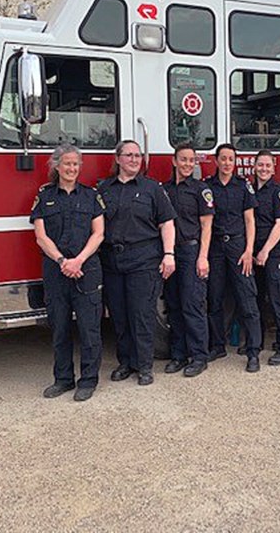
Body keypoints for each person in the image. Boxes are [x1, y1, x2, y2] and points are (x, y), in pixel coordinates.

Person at [98, 140, 177, 386]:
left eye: (137, 155)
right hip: (112, 260)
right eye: (129, 155)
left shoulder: (152, 188)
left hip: (143, 258)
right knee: (119, 315)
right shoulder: (103, 189)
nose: (134, 159)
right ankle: (125, 363)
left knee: (141, 314)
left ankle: (144, 366)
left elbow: (167, 223)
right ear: (118, 158)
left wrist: (169, 254)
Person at [30, 143, 106, 402]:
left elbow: (99, 233)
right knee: (60, 329)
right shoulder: (44, 196)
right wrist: (63, 261)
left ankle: (88, 380)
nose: (72, 168)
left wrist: (79, 260)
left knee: (89, 329)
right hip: (56, 271)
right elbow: (41, 237)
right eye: (67, 164)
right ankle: (63, 379)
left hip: (87, 270)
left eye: (76, 164)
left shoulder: (90, 196)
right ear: (57, 166)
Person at [205, 143, 264, 373]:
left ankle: (253, 352)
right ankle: (217, 346)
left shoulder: (243, 187)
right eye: (223, 158)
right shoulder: (208, 187)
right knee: (215, 299)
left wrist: (249, 250)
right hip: (216, 248)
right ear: (216, 161)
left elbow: (250, 220)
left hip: (239, 248)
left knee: (247, 299)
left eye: (231, 159)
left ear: (235, 162)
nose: (227, 163)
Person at [161, 143, 213, 378]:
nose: (187, 164)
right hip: (171, 253)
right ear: (174, 161)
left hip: (192, 252)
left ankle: (199, 356)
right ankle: (179, 355)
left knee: (193, 305)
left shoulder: (201, 190)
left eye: (191, 160)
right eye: (183, 160)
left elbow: (207, 226)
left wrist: (203, 257)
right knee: (174, 305)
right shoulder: (164, 190)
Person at [252, 150, 280, 365]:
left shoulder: (279, 193)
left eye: (267, 166)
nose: (263, 169)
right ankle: (257, 342)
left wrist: (265, 251)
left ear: (274, 166)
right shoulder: (249, 190)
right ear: (254, 166)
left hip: (272, 253)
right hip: (254, 254)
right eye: (260, 165)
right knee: (257, 299)